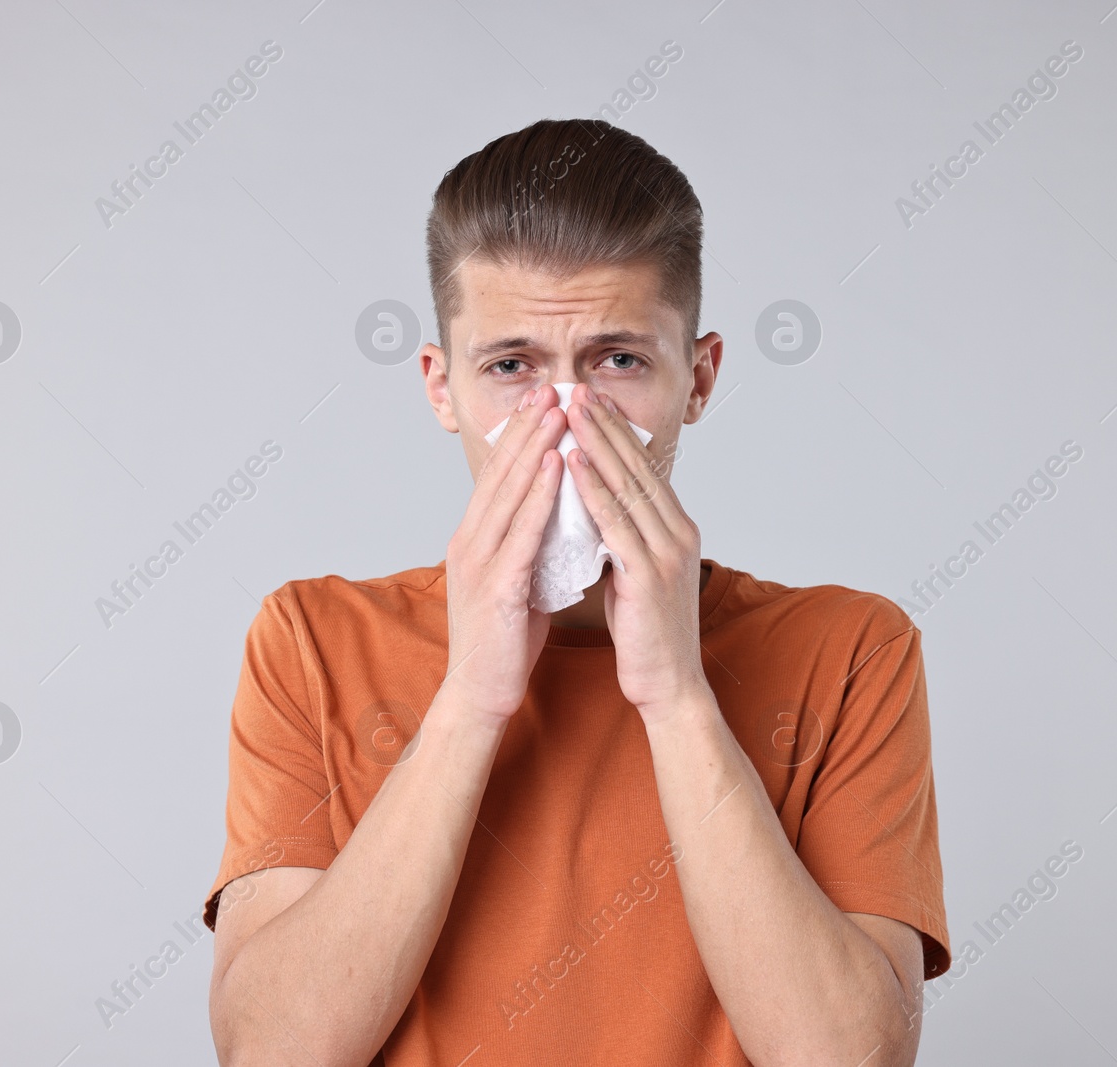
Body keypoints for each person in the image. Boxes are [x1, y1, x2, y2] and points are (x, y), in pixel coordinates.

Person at [204, 117, 950, 1067]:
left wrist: (678, 699)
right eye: (511, 366)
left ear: (699, 378)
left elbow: (851, 1060)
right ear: (442, 389)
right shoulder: (309, 641)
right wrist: (471, 698)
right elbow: (272, 1054)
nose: (566, 421)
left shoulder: (851, 650)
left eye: (618, 361)